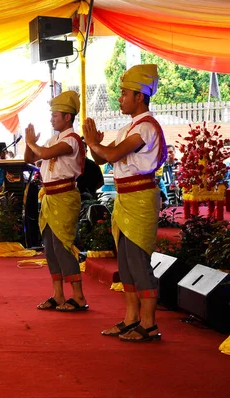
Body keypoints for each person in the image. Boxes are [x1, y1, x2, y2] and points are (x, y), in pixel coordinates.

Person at [83, 64, 166, 342]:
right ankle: (131, 318)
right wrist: (94, 145)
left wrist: (95, 144)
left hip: (140, 197)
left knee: (139, 261)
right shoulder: (128, 127)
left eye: (123, 93)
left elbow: (109, 154)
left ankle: (149, 323)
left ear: (140, 97)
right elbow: (101, 158)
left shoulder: (145, 128)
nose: (119, 98)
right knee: (127, 263)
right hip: (126, 198)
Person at [25, 90, 88, 313]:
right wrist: (28, 143)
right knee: (50, 249)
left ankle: (79, 296)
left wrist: (33, 143)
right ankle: (58, 294)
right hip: (50, 196)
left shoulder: (71, 139)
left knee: (62, 247)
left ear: (67, 117)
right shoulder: (55, 139)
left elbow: (41, 152)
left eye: (55, 115)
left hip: (64, 196)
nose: (52, 119)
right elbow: (30, 158)